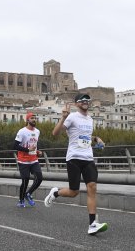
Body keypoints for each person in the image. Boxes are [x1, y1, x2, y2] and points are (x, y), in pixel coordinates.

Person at [45, 93, 108, 235]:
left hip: (88, 158)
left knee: (92, 187)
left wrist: (96, 138)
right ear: (76, 104)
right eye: (82, 100)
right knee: (74, 192)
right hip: (74, 158)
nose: (86, 102)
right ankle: (56, 192)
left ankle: (92, 224)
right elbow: (55, 133)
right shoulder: (72, 117)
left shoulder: (90, 119)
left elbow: (83, 136)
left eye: (87, 100)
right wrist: (63, 117)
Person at [13, 112, 43, 207]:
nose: (34, 119)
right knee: (25, 180)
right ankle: (21, 200)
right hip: (23, 161)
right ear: (27, 120)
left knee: (39, 178)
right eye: (32, 118)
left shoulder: (37, 131)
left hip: (34, 160)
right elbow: (15, 146)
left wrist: (38, 151)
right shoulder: (22, 131)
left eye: (35, 118)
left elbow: (35, 145)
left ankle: (28, 194)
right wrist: (27, 150)